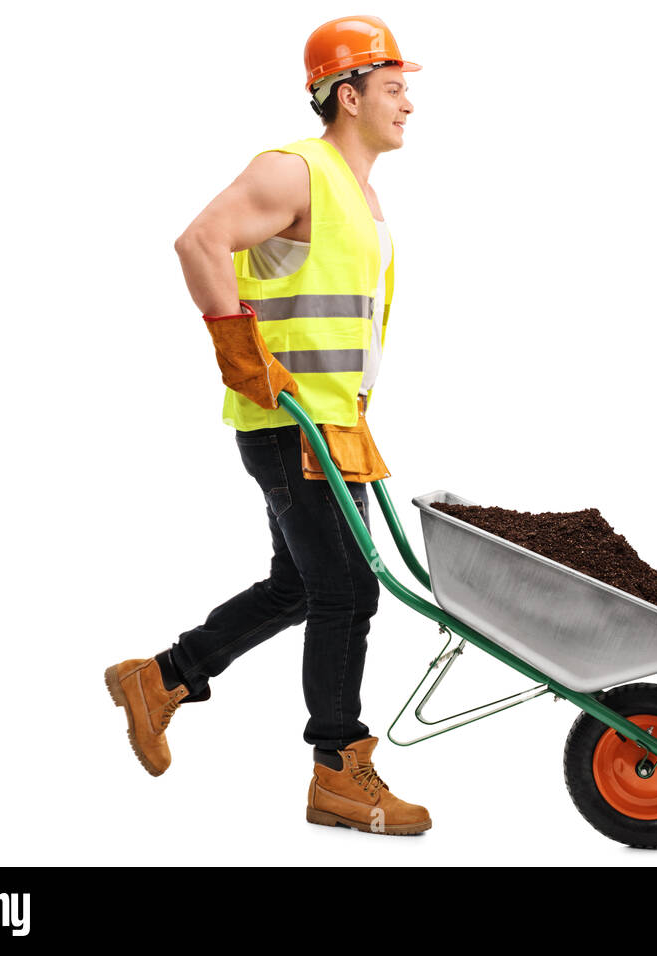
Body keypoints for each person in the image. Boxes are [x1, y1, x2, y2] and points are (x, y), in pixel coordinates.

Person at [104, 15, 430, 836]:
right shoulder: (295, 171)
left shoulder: (361, 194)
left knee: (299, 586)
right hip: (288, 424)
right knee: (347, 591)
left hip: (333, 427)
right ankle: (338, 769)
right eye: (392, 89)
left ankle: (162, 677)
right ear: (347, 95)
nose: (408, 105)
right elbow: (199, 241)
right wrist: (238, 353)